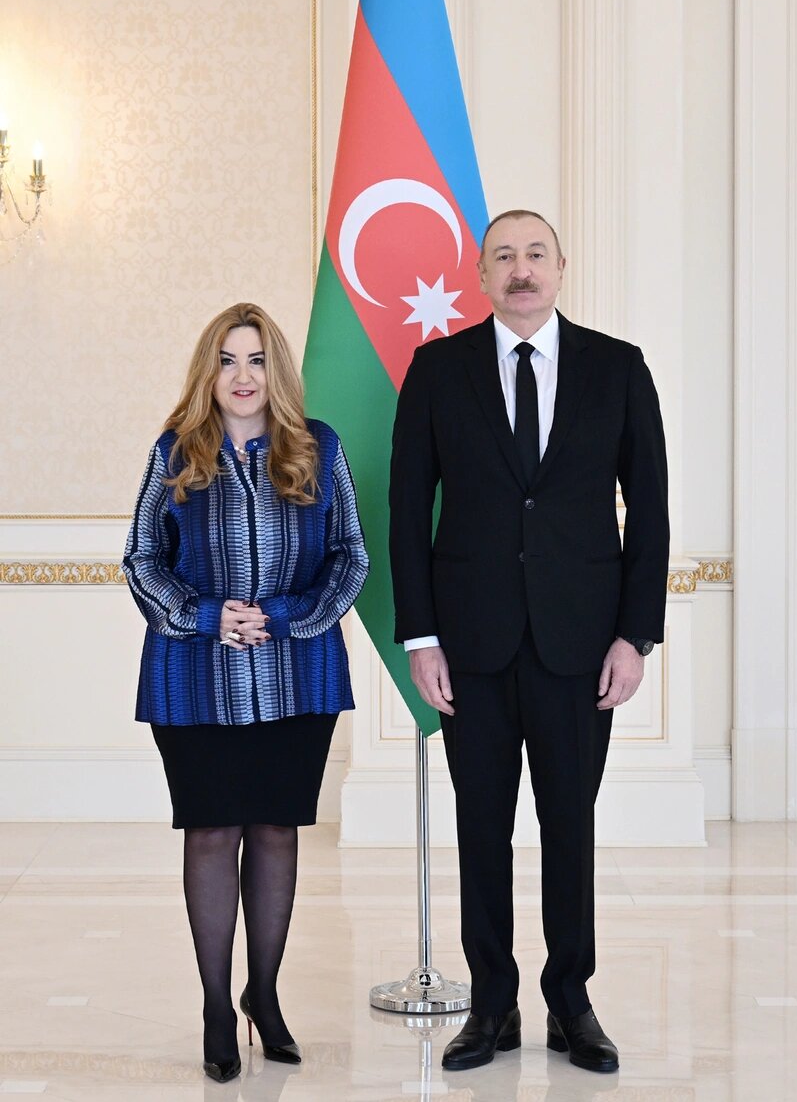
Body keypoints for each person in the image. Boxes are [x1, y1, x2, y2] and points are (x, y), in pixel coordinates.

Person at [389, 210, 669, 1074]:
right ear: (481, 275)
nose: (521, 269)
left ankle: (571, 1000)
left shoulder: (618, 368)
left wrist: (635, 635)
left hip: (580, 647)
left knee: (568, 826)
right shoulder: (437, 370)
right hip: (469, 646)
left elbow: (651, 510)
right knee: (481, 826)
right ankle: (492, 1002)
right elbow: (406, 507)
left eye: (535, 254)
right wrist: (421, 636)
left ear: (561, 266)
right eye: (504, 255)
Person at [124, 303, 368, 1084]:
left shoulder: (319, 448)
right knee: (209, 831)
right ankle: (214, 1008)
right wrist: (206, 616)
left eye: (256, 359)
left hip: (298, 676)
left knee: (275, 830)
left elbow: (351, 556)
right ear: (209, 370)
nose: (242, 375)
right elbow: (140, 558)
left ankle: (264, 994)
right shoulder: (175, 452)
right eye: (227, 359)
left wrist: (285, 616)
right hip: (193, 680)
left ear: (277, 371)